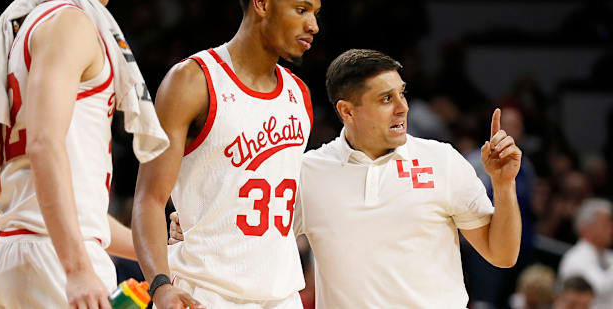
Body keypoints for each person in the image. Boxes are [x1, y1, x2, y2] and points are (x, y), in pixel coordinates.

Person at [170, 48, 523, 308]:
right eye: (386, 98)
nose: (402, 107)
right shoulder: (307, 171)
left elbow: (502, 254)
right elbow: (249, 236)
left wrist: (503, 186)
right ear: (346, 111)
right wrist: (197, 225)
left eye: (402, 93)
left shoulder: (442, 160)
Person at [0, 0, 168, 308]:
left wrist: (163, 251)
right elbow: (42, 143)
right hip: (52, 257)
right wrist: (75, 268)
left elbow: (3, 180)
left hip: (17, 251)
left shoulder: (15, 36)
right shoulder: (71, 23)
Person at [131, 0, 322, 309]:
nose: (313, 25)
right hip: (204, 293)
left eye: (315, 14)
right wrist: (159, 285)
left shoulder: (300, 94)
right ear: (261, 3)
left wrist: (201, 217)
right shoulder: (192, 81)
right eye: (302, 10)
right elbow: (149, 199)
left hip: (280, 296)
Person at [558, 198, 613, 309]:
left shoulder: (608, 256)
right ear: (586, 226)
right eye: (606, 224)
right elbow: (597, 289)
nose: (611, 229)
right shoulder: (575, 257)